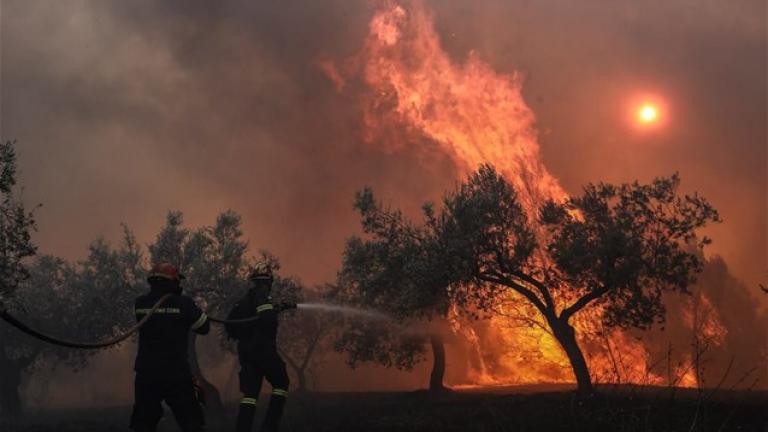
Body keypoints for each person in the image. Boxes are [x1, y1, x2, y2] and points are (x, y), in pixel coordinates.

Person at [130, 262, 210, 432]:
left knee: (143, 424)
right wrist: (188, 305)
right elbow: (204, 328)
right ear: (173, 282)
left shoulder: (140, 304)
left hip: (147, 374)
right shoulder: (184, 304)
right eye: (177, 282)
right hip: (176, 374)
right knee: (191, 423)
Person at [226, 261, 296, 432]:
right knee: (281, 383)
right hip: (263, 350)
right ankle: (269, 427)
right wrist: (275, 309)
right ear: (268, 281)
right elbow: (267, 318)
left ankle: (243, 429)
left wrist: (275, 308)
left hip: (246, 353)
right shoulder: (261, 294)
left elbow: (232, 326)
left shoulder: (244, 300)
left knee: (250, 395)